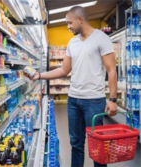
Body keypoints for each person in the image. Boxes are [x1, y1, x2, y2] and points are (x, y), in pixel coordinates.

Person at [24, 6, 117, 167]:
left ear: (80, 19)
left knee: (97, 145)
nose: (68, 27)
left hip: (94, 101)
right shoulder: (72, 42)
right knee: (76, 144)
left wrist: (113, 99)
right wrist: (39, 76)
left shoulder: (101, 38)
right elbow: (63, 70)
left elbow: (111, 70)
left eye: (69, 23)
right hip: (73, 100)